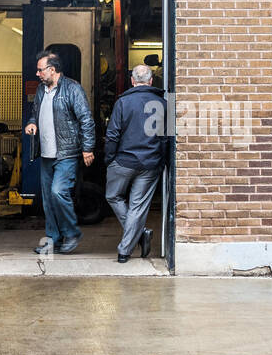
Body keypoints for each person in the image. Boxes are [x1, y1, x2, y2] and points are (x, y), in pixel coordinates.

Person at [24, 50, 96, 254]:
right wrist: (32, 124)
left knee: (58, 192)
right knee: (48, 199)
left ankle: (71, 232)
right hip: (46, 154)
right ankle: (53, 240)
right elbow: (34, 114)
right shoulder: (40, 90)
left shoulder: (72, 89)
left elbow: (86, 120)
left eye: (40, 70)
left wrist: (88, 148)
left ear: (52, 69)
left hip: (66, 153)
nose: (37, 74)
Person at [105, 64, 169, 263]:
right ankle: (128, 246)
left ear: (132, 81)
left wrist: (109, 159)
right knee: (137, 207)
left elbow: (112, 134)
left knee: (113, 196)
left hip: (123, 161)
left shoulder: (123, 102)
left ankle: (132, 243)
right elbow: (168, 138)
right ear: (151, 81)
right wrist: (164, 162)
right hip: (150, 163)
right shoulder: (165, 103)